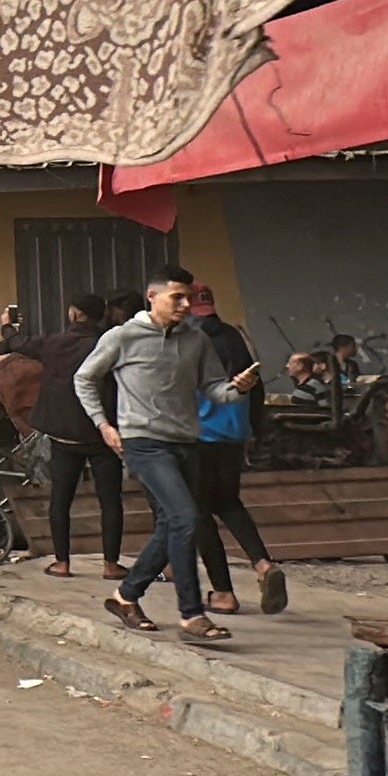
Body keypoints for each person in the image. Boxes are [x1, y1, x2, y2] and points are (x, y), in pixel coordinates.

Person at [78, 269, 260, 642]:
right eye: (177, 297)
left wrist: (238, 389)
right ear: (152, 296)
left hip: (188, 443)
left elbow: (214, 389)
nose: (185, 305)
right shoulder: (123, 336)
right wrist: (103, 425)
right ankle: (191, 614)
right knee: (185, 516)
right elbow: (84, 378)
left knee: (173, 524)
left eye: (189, 298)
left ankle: (126, 596)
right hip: (143, 442)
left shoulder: (196, 339)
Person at [188, 285, 284, 616]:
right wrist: (254, 430)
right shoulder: (235, 336)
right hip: (233, 433)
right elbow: (256, 387)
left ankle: (224, 593)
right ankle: (263, 565)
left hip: (198, 435)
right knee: (228, 502)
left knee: (198, 511)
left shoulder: (186, 338)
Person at [31, 299, 126, 579]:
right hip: (102, 434)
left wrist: (7, 328)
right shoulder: (108, 343)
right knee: (110, 500)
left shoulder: (53, 343)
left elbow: (20, 344)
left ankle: (62, 563)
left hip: (65, 438)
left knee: (60, 499)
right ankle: (111, 565)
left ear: (73, 313)